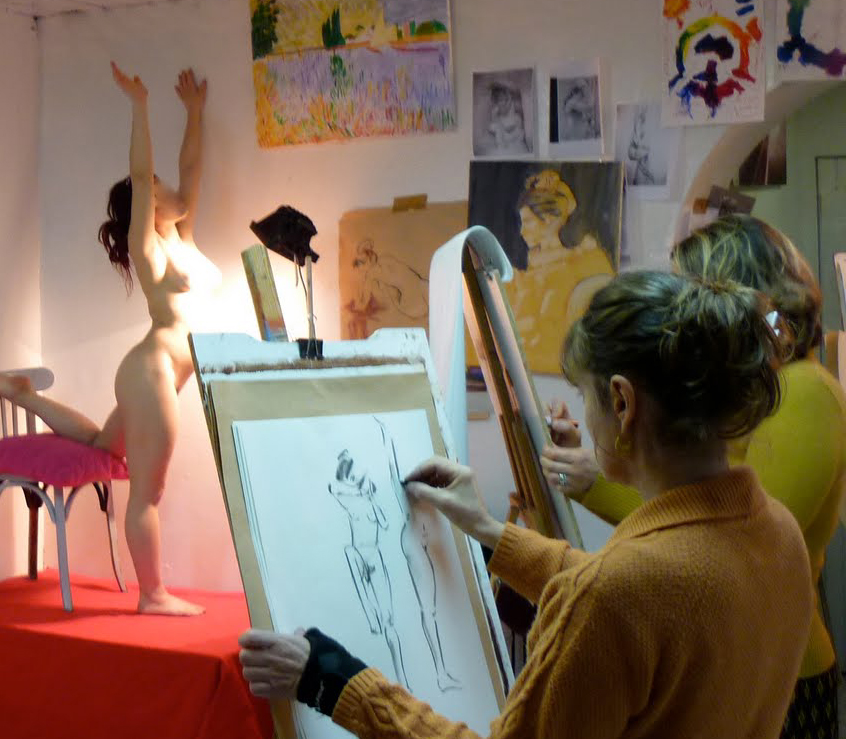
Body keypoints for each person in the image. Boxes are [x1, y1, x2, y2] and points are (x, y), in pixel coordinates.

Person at [239, 270, 813, 738]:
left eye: (584, 394)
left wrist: (335, 681)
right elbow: (634, 595)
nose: (584, 415)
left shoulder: (619, 595)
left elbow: (615, 596)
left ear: (621, 402)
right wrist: (488, 532)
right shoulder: (777, 533)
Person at [542, 215, 846, 738]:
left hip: (783, 671)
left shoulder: (805, 390)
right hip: (738, 653)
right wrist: (613, 457)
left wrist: (599, 481)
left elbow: (723, 542)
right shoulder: (775, 385)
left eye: (691, 287)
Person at [0, 63, 220, 616]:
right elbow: (142, 173)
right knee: (148, 491)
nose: (173, 188)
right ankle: (153, 595)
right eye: (160, 187)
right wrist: (139, 106)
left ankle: (24, 396)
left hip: (155, 372)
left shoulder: (183, 237)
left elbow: (191, 168)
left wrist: (194, 113)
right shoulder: (151, 251)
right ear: (149, 200)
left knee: (103, 445)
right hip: (152, 373)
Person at [505, 168, 615, 373]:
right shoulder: (531, 267)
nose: (522, 231)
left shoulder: (574, 265)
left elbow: (549, 329)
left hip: (553, 365)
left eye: (527, 222)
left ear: (548, 220)